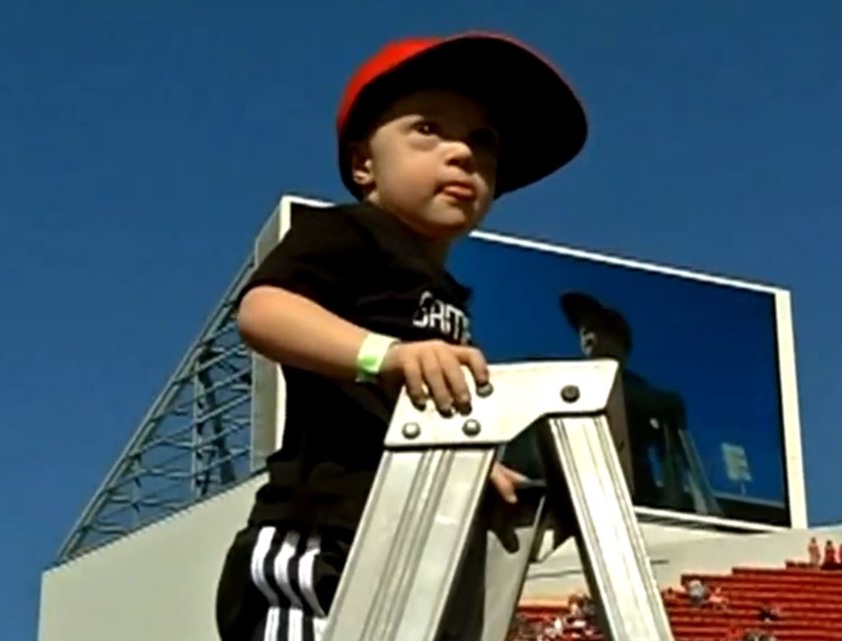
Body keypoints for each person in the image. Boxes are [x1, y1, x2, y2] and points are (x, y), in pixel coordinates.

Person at [213, 32, 587, 641]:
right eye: (429, 130)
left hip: (404, 549)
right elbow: (264, 311)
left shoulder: (446, 296)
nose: (463, 153)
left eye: (484, 141)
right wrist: (382, 354)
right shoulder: (348, 233)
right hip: (323, 541)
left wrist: (476, 465)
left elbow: (414, 406)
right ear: (365, 164)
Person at [559, 291, 721, 515]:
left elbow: (665, 414)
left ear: (619, 339)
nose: (585, 329)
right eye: (583, 326)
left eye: (596, 324)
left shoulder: (641, 394)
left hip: (635, 510)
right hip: (574, 504)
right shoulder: (563, 387)